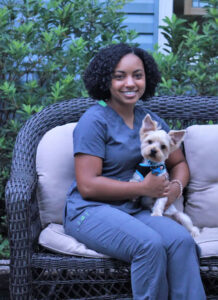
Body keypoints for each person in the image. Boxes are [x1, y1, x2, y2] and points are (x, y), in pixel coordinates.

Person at [64, 43, 206, 300]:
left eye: (137, 75)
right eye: (120, 76)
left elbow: (179, 164)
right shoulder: (94, 121)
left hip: (135, 210)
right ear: (106, 80)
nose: (130, 83)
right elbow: (87, 185)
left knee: (181, 242)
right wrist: (143, 188)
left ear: (146, 79)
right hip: (90, 211)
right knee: (149, 245)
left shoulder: (150, 120)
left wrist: (173, 190)